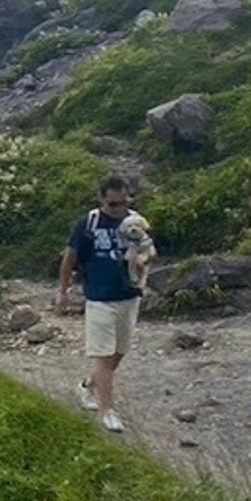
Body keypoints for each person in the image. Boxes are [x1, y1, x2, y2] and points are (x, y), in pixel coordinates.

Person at [56, 174, 146, 433]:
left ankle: (86, 387)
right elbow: (69, 258)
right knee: (104, 356)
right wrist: (62, 291)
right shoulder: (88, 224)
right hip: (99, 297)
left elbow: (147, 252)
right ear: (102, 199)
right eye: (113, 204)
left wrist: (142, 265)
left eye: (122, 203)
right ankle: (108, 411)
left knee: (118, 353)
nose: (118, 209)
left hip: (129, 295)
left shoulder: (136, 222)